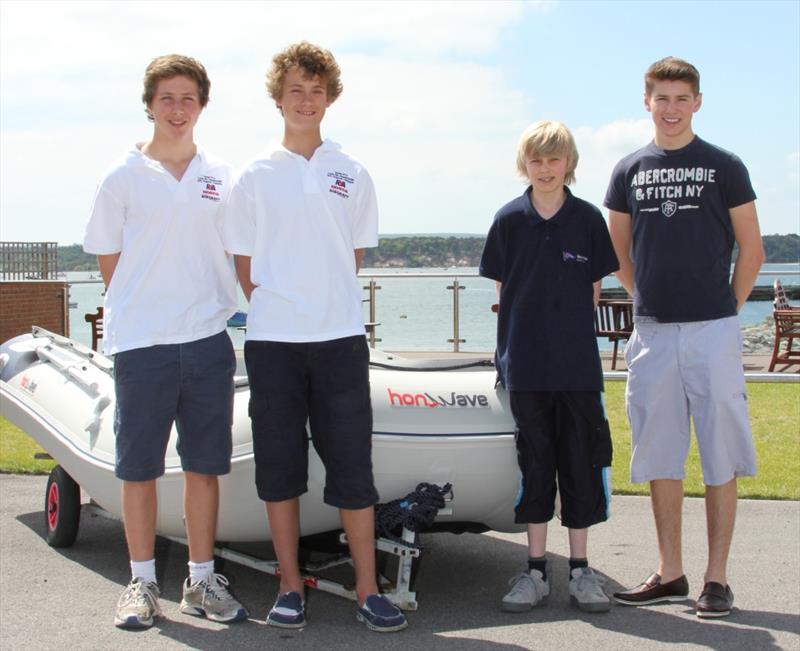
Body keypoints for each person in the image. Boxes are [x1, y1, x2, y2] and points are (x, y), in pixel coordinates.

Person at [223, 41, 407, 633]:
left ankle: (367, 590)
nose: (306, 100)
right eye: (295, 89)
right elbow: (244, 267)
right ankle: (287, 585)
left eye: (316, 90)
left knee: (353, 469)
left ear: (330, 98)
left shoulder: (351, 172)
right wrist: (283, 311)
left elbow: (348, 257)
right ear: (278, 97)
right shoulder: (253, 175)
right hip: (273, 344)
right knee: (279, 468)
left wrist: (319, 308)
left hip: (340, 342)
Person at [83, 54, 247, 629]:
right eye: (167, 98)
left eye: (188, 99)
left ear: (202, 105)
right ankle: (142, 583)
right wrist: (145, 306)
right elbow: (110, 260)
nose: (178, 109)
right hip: (142, 343)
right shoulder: (121, 177)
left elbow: (236, 250)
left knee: (204, 468)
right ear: (149, 104)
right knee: (140, 470)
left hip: (207, 340)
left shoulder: (222, 175)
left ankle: (201, 581)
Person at [604, 57, 764, 618]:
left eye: (681, 98)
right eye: (661, 98)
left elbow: (752, 248)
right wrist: (646, 297)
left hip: (713, 331)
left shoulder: (724, 165)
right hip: (652, 334)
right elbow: (619, 252)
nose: (670, 108)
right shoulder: (628, 170)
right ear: (646, 102)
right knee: (660, 453)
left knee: (720, 455)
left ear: (697, 102)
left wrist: (729, 309)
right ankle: (669, 571)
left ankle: (715, 579)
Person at [479, 120, 619, 614]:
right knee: (535, 468)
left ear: (569, 165)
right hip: (526, 369)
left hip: (578, 370)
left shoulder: (587, 220)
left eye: (554, 159)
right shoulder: (508, 221)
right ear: (525, 165)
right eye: (536, 160)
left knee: (581, 466)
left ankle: (581, 572)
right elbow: (503, 292)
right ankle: (535, 570)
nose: (545, 168)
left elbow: (594, 290)